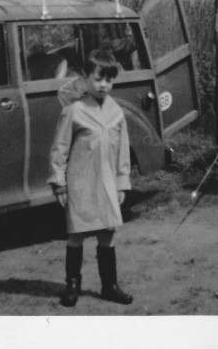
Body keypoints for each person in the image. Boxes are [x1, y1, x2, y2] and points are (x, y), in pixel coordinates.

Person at [48, 47, 134, 307]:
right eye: (98, 79)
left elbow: (122, 153)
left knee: (107, 233)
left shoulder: (117, 113)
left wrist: (122, 183)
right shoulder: (73, 111)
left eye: (109, 80)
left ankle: (109, 285)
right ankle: (72, 285)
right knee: (77, 234)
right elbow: (59, 149)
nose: (104, 85)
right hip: (81, 182)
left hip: (107, 183)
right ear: (86, 77)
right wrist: (60, 185)